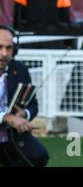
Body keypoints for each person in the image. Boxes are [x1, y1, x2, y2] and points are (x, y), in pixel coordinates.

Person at [0, 26, 49, 167]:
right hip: (9, 126)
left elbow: (33, 105)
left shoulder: (20, 69)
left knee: (40, 155)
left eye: (8, 48)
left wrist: (24, 114)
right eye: (0, 47)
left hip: (13, 136)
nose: (4, 53)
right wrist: (7, 117)